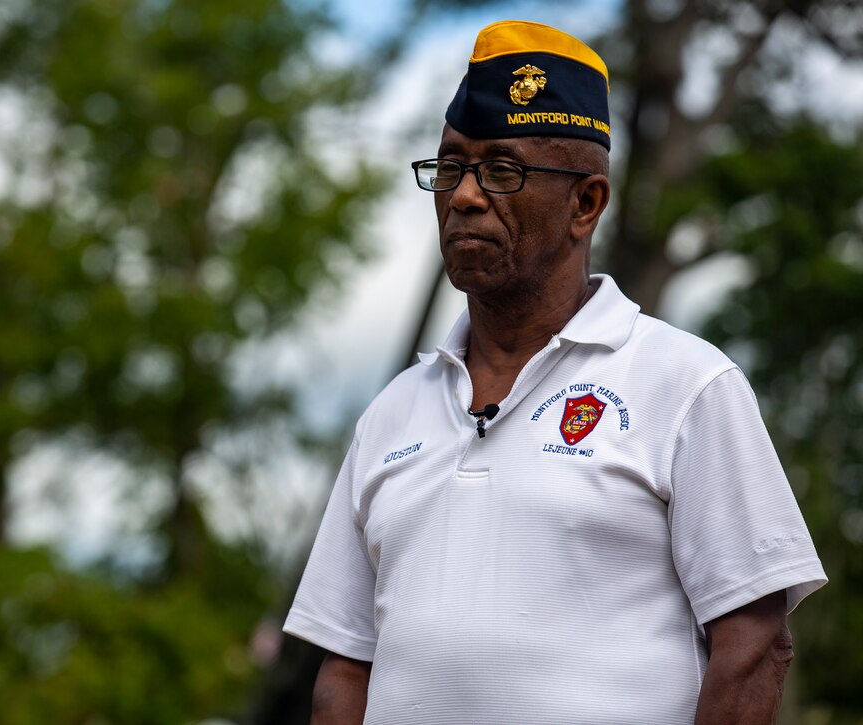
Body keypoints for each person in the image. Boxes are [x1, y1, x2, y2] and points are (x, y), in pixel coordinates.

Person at [282, 19, 827, 725]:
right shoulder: (391, 413)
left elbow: (753, 645)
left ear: (586, 203)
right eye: (450, 167)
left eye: (502, 171)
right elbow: (346, 665)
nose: (466, 196)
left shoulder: (687, 385)